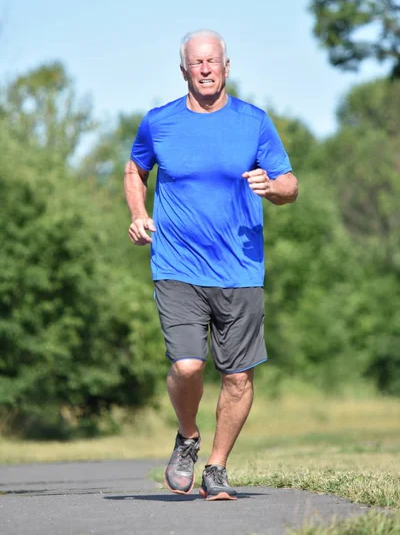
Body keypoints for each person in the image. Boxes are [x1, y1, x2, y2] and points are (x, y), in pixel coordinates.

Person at [124, 29, 298, 501]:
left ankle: (217, 466)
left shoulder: (254, 122)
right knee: (186, 365)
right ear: (184, 70)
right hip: (177, 264)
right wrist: (139, 214)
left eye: (212, 61)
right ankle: (188, 437)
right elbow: (135, 169)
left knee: (239, 376)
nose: (205, 69)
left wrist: (273, 188)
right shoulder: (159, 123)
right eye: (196, 63)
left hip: (240, 267)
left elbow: (290, 184)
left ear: (226, 66)